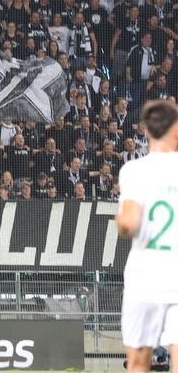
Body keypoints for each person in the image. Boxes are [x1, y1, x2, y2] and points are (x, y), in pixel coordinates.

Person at [116, 99, 178, 373]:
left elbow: (129, 222)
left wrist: (121, 221)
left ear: (147, 132)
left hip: (145, 279)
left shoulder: (135, 170)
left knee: (139, 365)